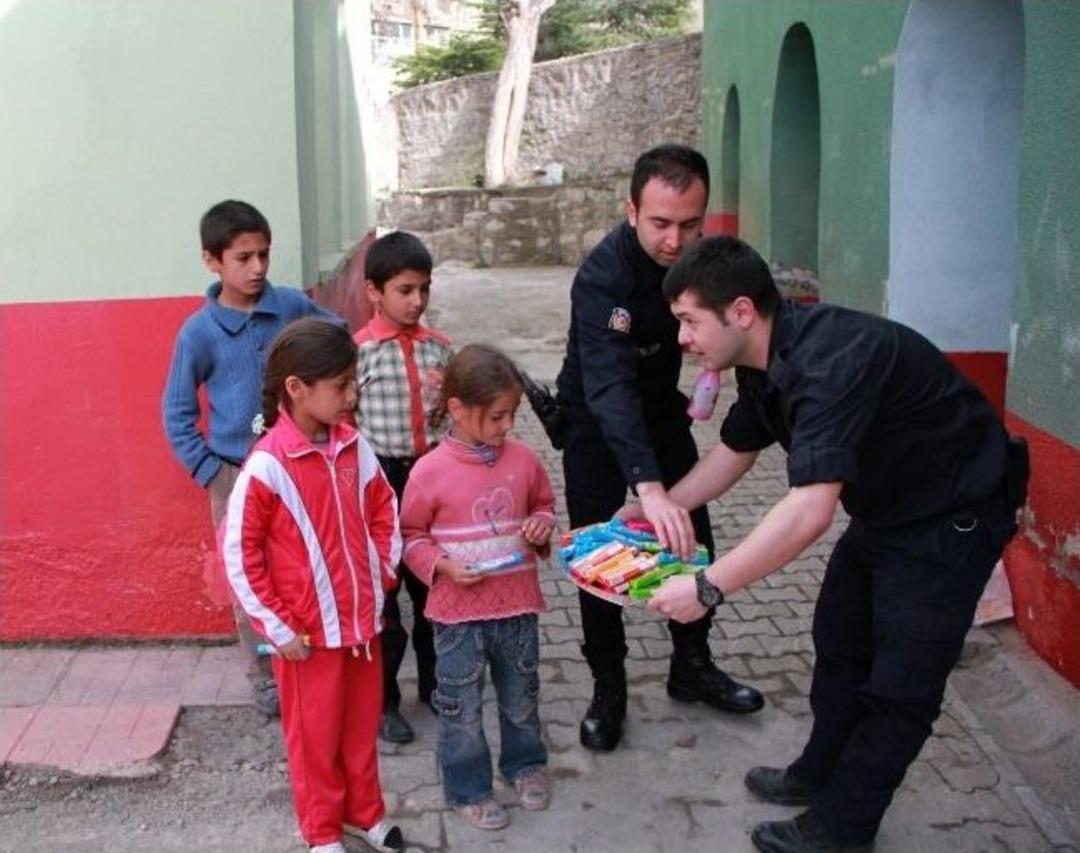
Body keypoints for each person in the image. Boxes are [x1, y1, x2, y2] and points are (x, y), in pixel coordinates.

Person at [644, 236, 1021, 853]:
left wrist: (709, 586)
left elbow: (810, 511)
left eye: (688, 321)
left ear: (741, 312)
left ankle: (843, 828)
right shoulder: (766, 361)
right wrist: (656, 506)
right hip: (886, 512)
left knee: (901, 688)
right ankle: (817, 773)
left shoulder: (832, 362)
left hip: (951, 519)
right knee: (840, 642)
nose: (682, 339)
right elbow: (735, 451)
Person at [554, 144, 763, 752]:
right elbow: (610, 386)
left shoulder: (704, 264)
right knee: (596, 553)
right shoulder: (603, 277)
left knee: (692, 535)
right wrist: (648, 488)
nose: (677, 241)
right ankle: (608, 685)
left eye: (691, 224)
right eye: (661, 224)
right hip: (594, 418)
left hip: (661, 413)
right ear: (631, 211)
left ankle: (691, 667)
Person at [221, 318, 405, 853]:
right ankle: (321, 831)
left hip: (362, 627)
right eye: (342, 386)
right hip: (305, 639)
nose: (352, 396)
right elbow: (240, 554)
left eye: (354, 384)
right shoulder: (266, 467)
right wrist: (279, 628)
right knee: (313, 740)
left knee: (358, 729)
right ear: (298, 389)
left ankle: (364, 812)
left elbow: (383, 508)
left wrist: (381, 575)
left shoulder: (354, 447)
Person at [162, 199, 339, 717]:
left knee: (306, 561)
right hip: (236, 475)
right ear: (212, 261)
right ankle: (264, 674)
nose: (258, 267)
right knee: (248, 576)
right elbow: (175, 412)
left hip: (297, 467)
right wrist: (213, 473)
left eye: (264, 254)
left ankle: (315, 654)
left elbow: (337, 337)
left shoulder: (289, 306)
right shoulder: (198, 333)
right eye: (243, 257)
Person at [400, 344, 555, 832]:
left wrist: (539, 525)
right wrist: (442, 565)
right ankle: (468, 787)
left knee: (521, 696)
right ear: (458, 410)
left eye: (512, 415)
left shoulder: (525, 461)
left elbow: (545, 507)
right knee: (461, 709)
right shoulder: (428, 472)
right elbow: (410, 537)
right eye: (496, 416)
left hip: (517, 609)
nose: (507, 426)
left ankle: (524, 765)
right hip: (458, 618)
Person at [354, 230, 453, 745]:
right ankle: (383, 701)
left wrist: (450, 398)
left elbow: (455, 417)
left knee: (434, 589)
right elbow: (346, 426)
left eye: (424, 289)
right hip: (382, 483)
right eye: (405, 290)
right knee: (386, 602)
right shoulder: (359, 355)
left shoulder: (440, 350)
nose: (417, 301)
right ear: (374, 291)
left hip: (432, 477)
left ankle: (436, 687)